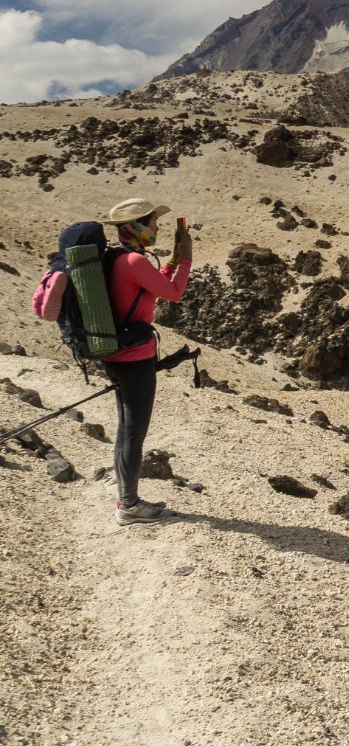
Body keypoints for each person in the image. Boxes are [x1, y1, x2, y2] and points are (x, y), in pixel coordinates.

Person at [86, 198, 189, 519]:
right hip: (134, 360)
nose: (156, 229)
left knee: (125, 431)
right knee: (133, 434)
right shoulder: (134, 261)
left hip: (117, 355)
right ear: (136, 227)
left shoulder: (117, 258)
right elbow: (174, 293)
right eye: (153, 223)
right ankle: (129, 505)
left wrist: (171, 261)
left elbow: (152, 288)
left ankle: (126, 499)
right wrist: (186, 260)